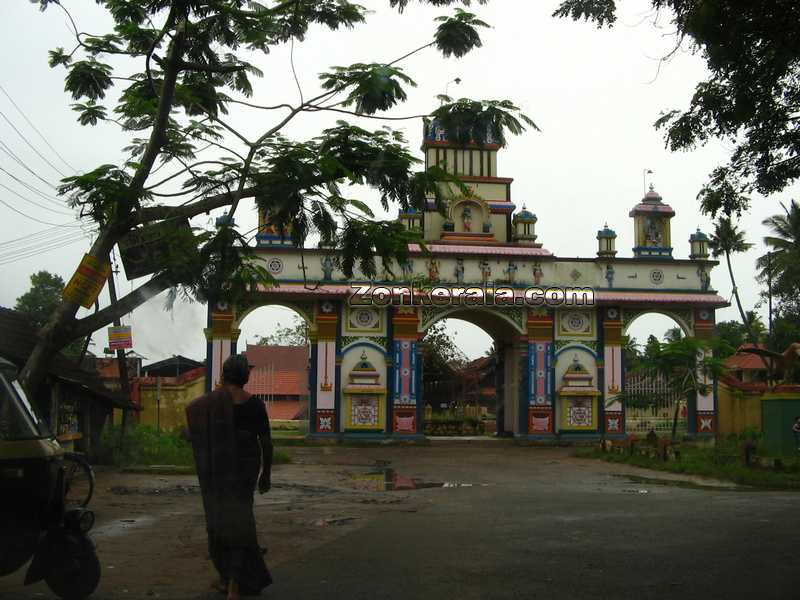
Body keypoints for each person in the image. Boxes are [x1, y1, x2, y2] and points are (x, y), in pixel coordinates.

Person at [185, 354, 273, 600]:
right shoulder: (254, 404)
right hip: (245, 472)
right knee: (242, 521)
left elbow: (191, 428)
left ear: (223, 375)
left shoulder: (209, 403)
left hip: (218, 470)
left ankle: (229, 579)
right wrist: (266, 474)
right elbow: (266, 443)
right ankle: (233, 581)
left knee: (218, 521)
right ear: (246, 376)